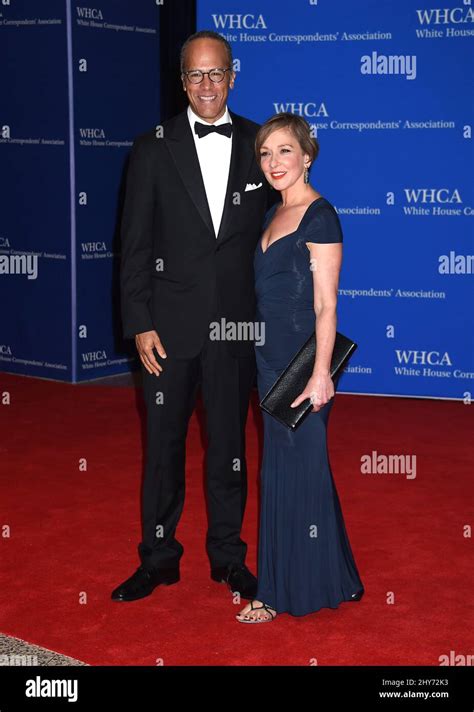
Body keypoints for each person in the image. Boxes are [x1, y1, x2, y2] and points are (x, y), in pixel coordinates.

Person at [112, 30, 277, 603]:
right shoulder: (152, 147)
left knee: (230, 447)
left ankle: (229, 558)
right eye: (195, 75)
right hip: (168, 327)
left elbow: (287, 228)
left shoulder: (262, 143)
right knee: (163, 450)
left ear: (233, 75)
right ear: (182, 81)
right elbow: (133, 245)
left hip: (234, 328)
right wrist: (139, 322)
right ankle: (158, 558)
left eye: (216, 73)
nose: (207, 85)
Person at [236, 113, 364, 622]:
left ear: (306, 155)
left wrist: (320, 373)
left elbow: (327, 305)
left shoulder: (320, 216)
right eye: (265, 153)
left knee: (300, 467)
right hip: (267, 357)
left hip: (304, 359)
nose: (273, 162)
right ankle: (334, 575)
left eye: (284, 151)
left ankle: (281, 591)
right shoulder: (272, 213)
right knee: (283, 469)